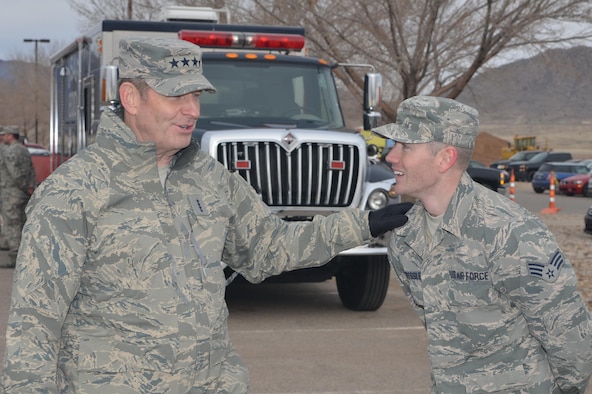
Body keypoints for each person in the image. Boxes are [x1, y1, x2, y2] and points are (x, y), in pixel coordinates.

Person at [1, 37, 410, 393]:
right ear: (131, 98)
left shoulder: (209, 178)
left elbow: (270, 247)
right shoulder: (74, 191)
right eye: (176, 97)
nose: (192, 110)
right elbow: (35, 322)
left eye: (196, 96)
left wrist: (363, 223)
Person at [373, 96, 592, 393]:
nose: (391, 157)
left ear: (445, 159)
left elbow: (569, 337)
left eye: (406, 147)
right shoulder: (405, 237)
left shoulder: (509, 232)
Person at [0, 125, 35, 267]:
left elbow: (14, 173)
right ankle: (24, 252)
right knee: (21, 222)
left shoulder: (11, 151)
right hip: (23, 192)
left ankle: (15, 258)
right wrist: (30, 187)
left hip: (12, 192)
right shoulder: (24, 149)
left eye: (4, 135)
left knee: (12, 223)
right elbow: (31, 169)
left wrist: (23, 186)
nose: (2, 137)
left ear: (10, 135)